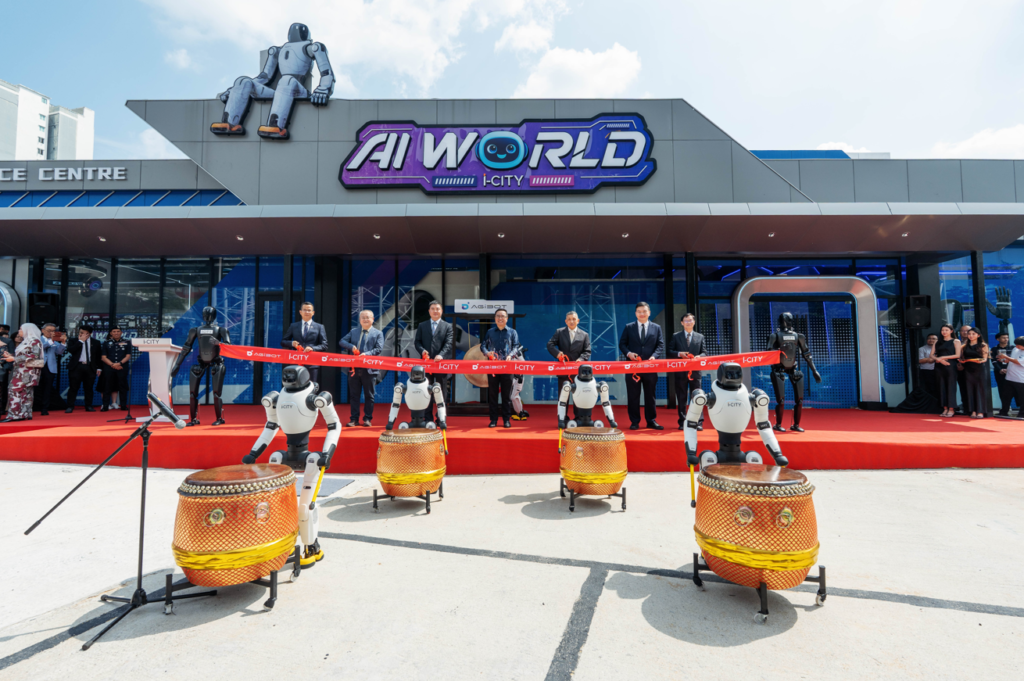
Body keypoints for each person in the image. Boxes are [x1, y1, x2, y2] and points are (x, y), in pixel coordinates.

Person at [618, 301, 665, 431]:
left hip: (650, 368)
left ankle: (651, 421)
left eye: (644, 311)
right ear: (635, 313)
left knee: (650, 395)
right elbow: (622, 344)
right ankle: (634, 421)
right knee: (633, 395)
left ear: (649, 313)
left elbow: (660, 344)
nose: (642, 314)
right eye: (639, 311)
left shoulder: (656, 327)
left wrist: (654, 356)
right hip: (633, 367)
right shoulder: (629, 327)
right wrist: (629, 354)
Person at [338, 310, 384, 427]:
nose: (365, 319)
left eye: (367, 317)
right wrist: (351, 346)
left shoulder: (378, 333)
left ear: (373, 319)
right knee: (354, 395)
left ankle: (367, 419)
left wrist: (367, 354)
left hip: (369, 369)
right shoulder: (353, 332)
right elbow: (342, 341)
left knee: (369, 395)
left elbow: (379, 348)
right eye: (363, 317)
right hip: (354, 368)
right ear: (359, 320)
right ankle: (354, 419)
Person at [413, 300, 454, 425]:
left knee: (441, 391)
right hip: (426, 364)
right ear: (429, 311)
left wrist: (441, 355)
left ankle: (441, 418)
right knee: (426, 390)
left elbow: (449, 343)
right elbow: (417, 342)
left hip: (441, 364)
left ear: (441, 311)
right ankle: (427, 418)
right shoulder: (422, 325)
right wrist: (422, 351)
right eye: (433, 309)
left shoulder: (448, 326)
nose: (435, 311)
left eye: (438, 309)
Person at [546, 311, 592, 421]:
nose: (572, 321)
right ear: (566, 321)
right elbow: (550, 344)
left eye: (574, 319)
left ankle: (579, 418)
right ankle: (562, 418)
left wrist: (581, 359)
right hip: (563, 370)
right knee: (563, 396)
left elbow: (587, 351)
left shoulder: (584, 334)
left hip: (578, 371)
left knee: (578, 395)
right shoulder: (559, 332)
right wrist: (557, 353)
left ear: (578, 321)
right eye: (569, 319)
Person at [669, 313, 707, 431]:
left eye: (690, 320)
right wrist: (679, 354)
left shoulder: (700, 337)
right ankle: (682, 421)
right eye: (686, 320)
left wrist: (700, 356)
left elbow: (704, 352)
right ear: (682, 323)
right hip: (680, 371)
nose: (688, 322)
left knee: (697, 396)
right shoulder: (676, 336)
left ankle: (698, 422)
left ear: (694, 322)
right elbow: (670, 351)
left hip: (695, 371)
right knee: (681, 397)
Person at [483, 308, 519, 428]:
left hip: (507, 367)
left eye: (502, 316)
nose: (500, 318)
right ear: (495, 318)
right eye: (498, 316)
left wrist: (511, 355)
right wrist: (487, 353)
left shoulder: (512, 332)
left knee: (506, 395)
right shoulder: (490, 332)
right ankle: (493, 419)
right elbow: (483, 346)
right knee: (492, 394)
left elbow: (516, 346)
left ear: (507, 318)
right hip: (493, 367)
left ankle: (506, 419)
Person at [1, 323, 44, 423]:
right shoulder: (27, 341)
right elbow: (24, 355)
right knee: (25, 393)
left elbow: (34, 355)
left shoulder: (34, 341)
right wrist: (10, 356)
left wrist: (14, 359)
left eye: (21, 329)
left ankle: (14, 415)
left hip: (27, 372)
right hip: (22, 371)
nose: (19, 331)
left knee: (15, 390)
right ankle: (24, 413)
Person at [281, 302, 329, 385]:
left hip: (311, 364)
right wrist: (292, 343)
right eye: (304, 310)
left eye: (309, 310)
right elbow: (283, 342)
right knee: (295, 387)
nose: (307, 312)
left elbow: (324, 345)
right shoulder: (293, 326)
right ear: (300, 312)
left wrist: (312, 348)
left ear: (313, 313)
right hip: (296, 363)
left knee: (311, 387)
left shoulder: (319, 327)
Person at [65, 325, 103, 413]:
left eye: (85, 333)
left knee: (89, 388)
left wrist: (99, 368)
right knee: (73, 387)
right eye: (81, 332)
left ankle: (88, 406)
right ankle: (70, 406)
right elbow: (71, 350)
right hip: (76, 366)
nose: (82, 334)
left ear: (90, 334)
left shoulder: (96, 342)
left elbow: (98, 356)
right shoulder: (73, 340)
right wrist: (80, 341)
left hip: (90, 367)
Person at [932, 324, 962, 418]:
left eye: (946, 330)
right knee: (941, 386)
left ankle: (951, 408)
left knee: (951, 386)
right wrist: (940, 360)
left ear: (951, 331)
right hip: (939, 366)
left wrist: (943, 358)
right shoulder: (937, 342)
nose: (944, 332)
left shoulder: (956, 341)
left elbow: (957, 355)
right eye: (942, 330)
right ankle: (944, 408)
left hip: (950, 365)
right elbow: (931, 355)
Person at [959, 327, 989, 419]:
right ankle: (973, 410)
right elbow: (962, 358)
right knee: (969, 389)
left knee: (980, 389)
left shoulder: (983, 345)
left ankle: (980, 411)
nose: (971, 336)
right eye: (969, 334)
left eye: (973, 334)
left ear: (978, 335)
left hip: (979, 369)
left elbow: (984, 359)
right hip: (968, 369)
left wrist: (971, 360)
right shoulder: (964, 346)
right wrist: (962, 362)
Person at [101, 325, 132, 412]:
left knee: (122, 386)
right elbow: (103, 357)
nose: (116, 333)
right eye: (114, 331)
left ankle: (123, 405)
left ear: (121, 333)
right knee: (107, 386)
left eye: (118, 331)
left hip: (122, 367)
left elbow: (128, 356)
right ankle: (105, 406)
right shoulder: (106, 343)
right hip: (109, 367)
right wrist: (113, 364)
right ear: (111, 333)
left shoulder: (127, 342)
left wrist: (119, 363)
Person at [38, 324, 66, 416]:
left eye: (53, 331)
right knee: (34, 387)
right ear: (42, 330)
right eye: (49, 330)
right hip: (37, 366)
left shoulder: (55, 341)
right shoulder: (37, 339)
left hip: (50, 367)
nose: (51, 332)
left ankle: (44, 408)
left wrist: (63, 343)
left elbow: (59, 352)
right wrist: (51, 341)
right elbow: (40, 348)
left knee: (47, 388)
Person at [996, 336, 1024, 416]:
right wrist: (1006, 360)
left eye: (1019, 345)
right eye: (1016, 345)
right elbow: (1012, 359)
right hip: (1009, 377)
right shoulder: (1015, 349)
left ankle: (1022, 414)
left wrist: (1005, 356)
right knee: (1006, 397)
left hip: (1020, 379)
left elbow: (1018, 361)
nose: (1016, 346)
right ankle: (1003, 412)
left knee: (1022, 398)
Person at [992, 332, 1012, 416]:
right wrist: (1000, 369)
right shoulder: (994, 349)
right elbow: (994, 361)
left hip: (1012, 372)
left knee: (1014, 390)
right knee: (1002, 391)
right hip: (999, 373)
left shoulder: (1013, 348)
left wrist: (1008, 369)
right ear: (998, 339)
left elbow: (1014, 360)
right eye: (1003, 337)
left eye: (1007, 337)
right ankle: (1004, 410)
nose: (1006, 339)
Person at [917, 333, 938, 400]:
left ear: (937, 340)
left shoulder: (940, 349)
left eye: (933, 339)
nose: (931, 340)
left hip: (938, 371)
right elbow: (920, 360)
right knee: (927, 389)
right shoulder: (922, 349)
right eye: (929, 338)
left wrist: (929, 359)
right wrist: (931, 359)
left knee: (937, 389)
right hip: (926, 371)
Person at [956, 324, 971, 413]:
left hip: (972, 369)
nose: (965, 332)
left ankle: (974, 408)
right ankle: (966, 408)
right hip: (959, 369)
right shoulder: (957, 342)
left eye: (967, 331)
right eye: (963, 331)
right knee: (963, 388)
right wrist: (959, 364)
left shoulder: (975, 343)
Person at [0, 325, 13, 418]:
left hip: (1, 369)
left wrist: (7, 368)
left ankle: (1, 410)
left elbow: (11, 355)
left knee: (1, 391)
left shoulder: (7, 341)